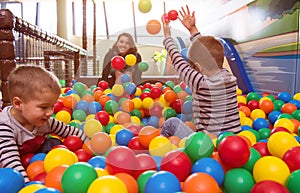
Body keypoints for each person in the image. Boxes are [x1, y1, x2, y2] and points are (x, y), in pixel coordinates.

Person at [160, 5, 241, 138]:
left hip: (207, 144)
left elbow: (177, 59)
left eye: (192, 66)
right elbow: (207, 53)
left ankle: (162, 148)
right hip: (234, 141)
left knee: (171, 123)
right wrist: (192, 29)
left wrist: (167, 35)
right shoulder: (228, 76)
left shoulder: (200, 81)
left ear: (198, 67)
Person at [0, 65, 88, 183]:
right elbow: (10, 161)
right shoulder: (5, 127)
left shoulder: (45, 121)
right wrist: (26, 184)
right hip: (13, 162)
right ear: (18, 104)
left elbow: (70, 131)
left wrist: (90, 145)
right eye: (44, 107)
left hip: (35, 159)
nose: (50, 112)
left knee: (54, 143)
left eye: (52, 106)